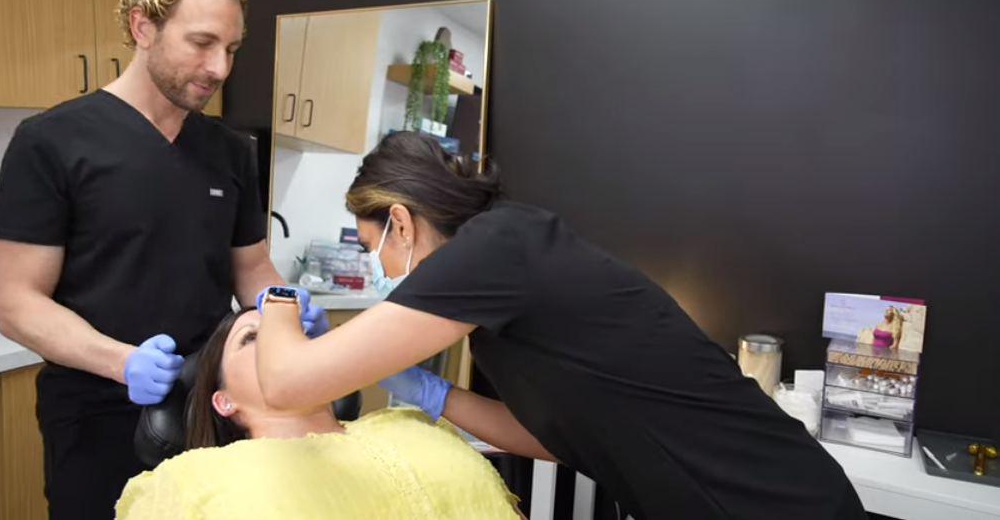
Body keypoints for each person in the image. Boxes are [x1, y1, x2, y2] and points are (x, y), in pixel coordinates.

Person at [252, 131, 869, 520]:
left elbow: (286, 384)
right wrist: (439, 396)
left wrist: (274, 300)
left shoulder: (494, 251)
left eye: (371, 248)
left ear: (402, 224)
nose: (376, 268)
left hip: (770, 502)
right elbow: (557, 436)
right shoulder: (497, 280)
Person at [0, 0, 322, 519]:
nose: (218, 67)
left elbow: (251, 268)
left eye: (232, 49)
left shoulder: (230, 151)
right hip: (96, 414)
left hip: (208, 412)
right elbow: (16, 304)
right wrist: (123, 362)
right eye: (201, 42)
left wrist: (282, 307)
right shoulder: (52, 142)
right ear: (143, 27)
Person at [114, 305, 525, 520]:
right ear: (224, 401)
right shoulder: (193, 480)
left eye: (298, 336)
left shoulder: (412, 425)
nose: (284, 348)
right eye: (253, 337)